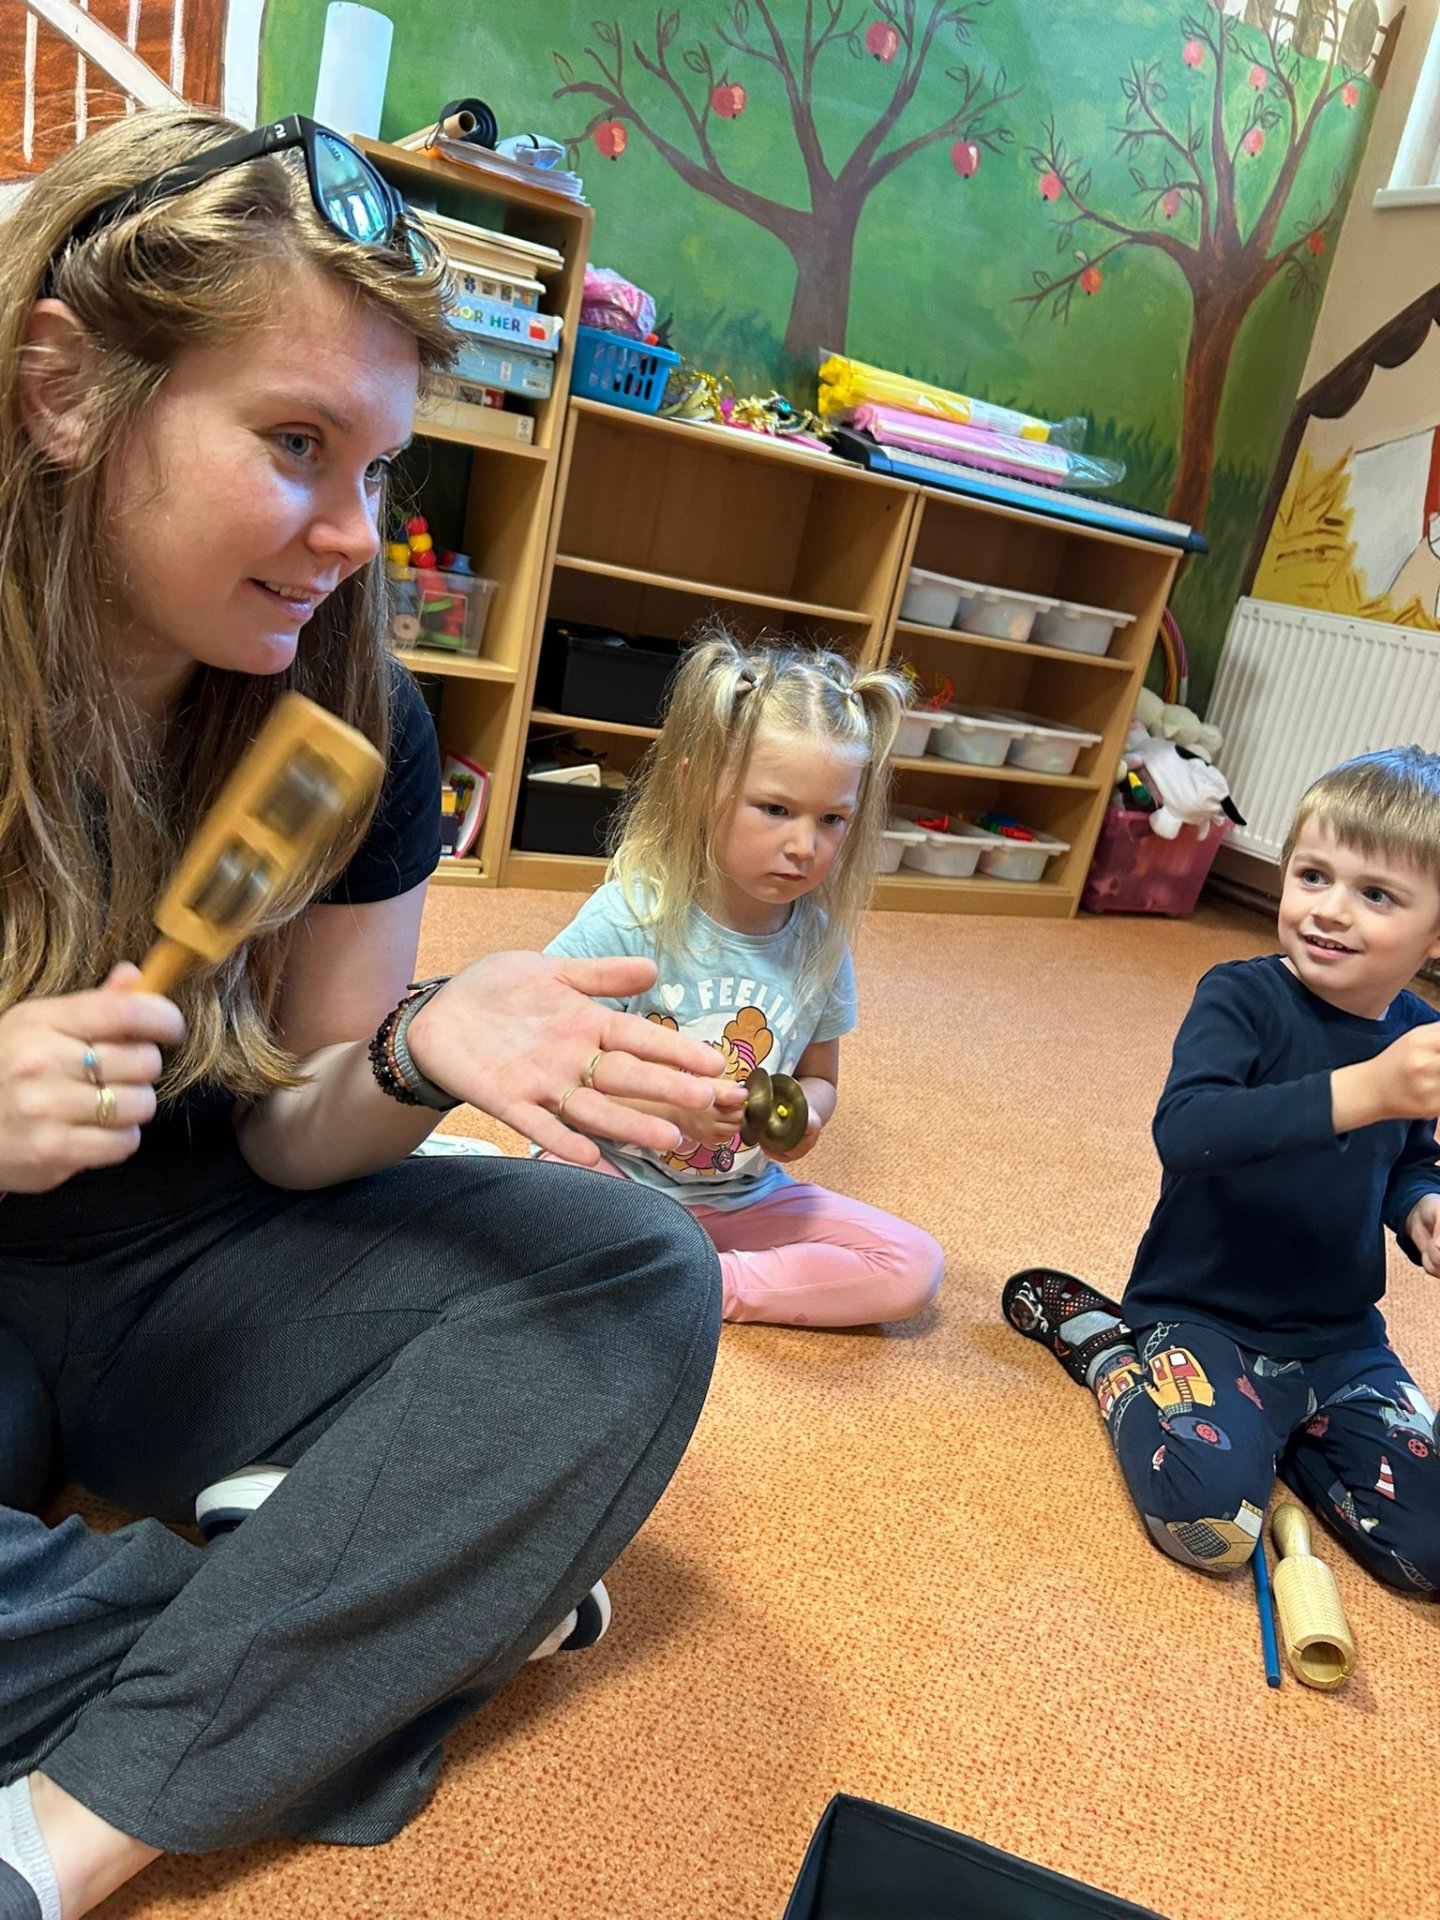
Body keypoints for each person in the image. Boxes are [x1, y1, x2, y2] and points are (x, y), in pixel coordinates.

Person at [0, 108, 735, 1920]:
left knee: (635, 1278)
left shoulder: (358, 724)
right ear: (64, 388)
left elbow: (288, 1139)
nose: (350, 534)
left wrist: (418, 1046)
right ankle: (368, 1605)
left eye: (381, 465)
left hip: (190, 1276)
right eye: (295, 444)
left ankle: (59, 1837)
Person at [1003, 746, 1440, 1593]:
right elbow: (1189, 1131)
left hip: (1340, 1338)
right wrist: (1363, 1089)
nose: (1331, 910)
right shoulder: (1241, 997)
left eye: (1377, 895)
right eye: (1313, 876)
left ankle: (1288, 1441)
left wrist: (1423, 1206)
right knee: (1207, 1525)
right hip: (1203, 1313)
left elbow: (1408, 1160)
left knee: (1430, 1552)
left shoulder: (1417, 1039)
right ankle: (1110, 1356)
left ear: (1435, 934)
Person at [542, 631, 944, 1329]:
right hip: (610, 1176)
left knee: (913, 1265)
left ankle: (701, 1284)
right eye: (776, 809)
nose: (804, 845)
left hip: (738, 1198)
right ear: (698, 786)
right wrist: (669, 1106)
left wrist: (808, 1116)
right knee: (535, 1205)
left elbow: (820, 1077)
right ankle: (663, 1264)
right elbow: (550, 1053)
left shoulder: (820, 944)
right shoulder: (632, 914)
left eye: (832, 819)